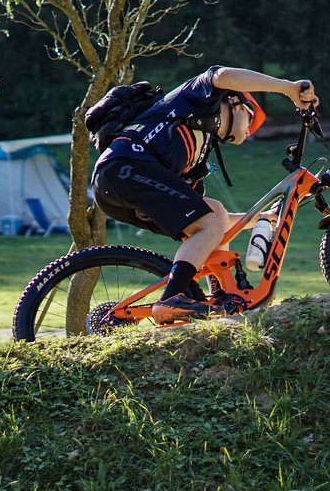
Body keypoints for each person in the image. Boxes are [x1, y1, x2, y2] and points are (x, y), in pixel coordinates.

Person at [90, 66, 318, 322]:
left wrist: (257, 218)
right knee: (209, 223)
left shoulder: (197, 158)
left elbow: (208, 222)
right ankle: (170, 299)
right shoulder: (196, 98)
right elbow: (222, 76)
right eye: (251, 117)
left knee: (214, 214)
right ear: (234, 101)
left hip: (120, 185)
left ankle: (219, 294)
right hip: (125, 167)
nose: (250, 130)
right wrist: (288, 88)